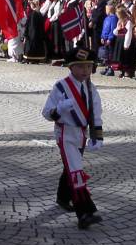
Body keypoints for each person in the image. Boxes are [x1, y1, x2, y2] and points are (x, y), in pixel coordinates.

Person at [41, 47, 104, 229]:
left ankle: (62, 197)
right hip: (66, 133)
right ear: (70, 67)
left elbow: (96, 113)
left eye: (88, 66)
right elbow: (46, 112)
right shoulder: (61, 87)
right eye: (80, 66)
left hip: (81, 134)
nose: (85, 70)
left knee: (70, 167)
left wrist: (97, 136)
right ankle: (84, 212)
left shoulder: (90, 88)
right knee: (76, 171)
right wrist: (58, 110)